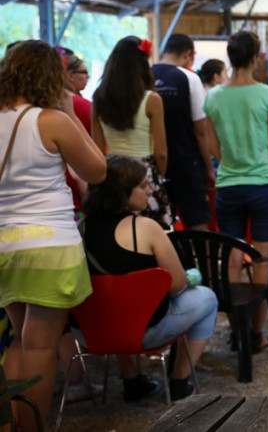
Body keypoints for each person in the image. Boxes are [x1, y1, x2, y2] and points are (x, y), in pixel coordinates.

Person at [0, 40, 106, 432]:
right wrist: (68, 111)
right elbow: (96, 170)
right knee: (42, 345)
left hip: (5, 245)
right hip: (49, 245)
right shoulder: (52, 121)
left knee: (20, 340)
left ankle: (9, 425)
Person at [82, 155, 218, 401]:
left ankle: (132, 381)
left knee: (114, 303)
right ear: (123, 192)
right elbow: (177, 285)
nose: (150, 190)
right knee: (207, 298)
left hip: (91, 332)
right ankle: (179, 381)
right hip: (146, 331)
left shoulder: (80, 229)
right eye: (143, 185)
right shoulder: (145, 228)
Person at [203, 30, 268, 353]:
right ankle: (256, 334)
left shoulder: (213, 97)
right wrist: (263, 165)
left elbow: (213, 147)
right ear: (255, 58)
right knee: (262, 258)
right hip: (265, 186)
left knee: (232, 258)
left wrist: (233, 165)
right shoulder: (266, 94)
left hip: (228, 187)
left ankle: (237, 332)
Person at [92, 36, 172, 229]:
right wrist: (158, 177)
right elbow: (161, 152)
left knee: (116, 229)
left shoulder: (99, 98)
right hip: (145, 173)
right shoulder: (152, 99)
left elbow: (97, 149)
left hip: (113, 173)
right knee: (152, 231)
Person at [152, 34, 216, 231]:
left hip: (153, 165)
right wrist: (209, 167)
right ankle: (200, 253)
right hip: (187, 163)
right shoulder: (189, 78)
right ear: (188, 54)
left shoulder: (145, 75)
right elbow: (201, 130)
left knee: (160, 225)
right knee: (197, 223)